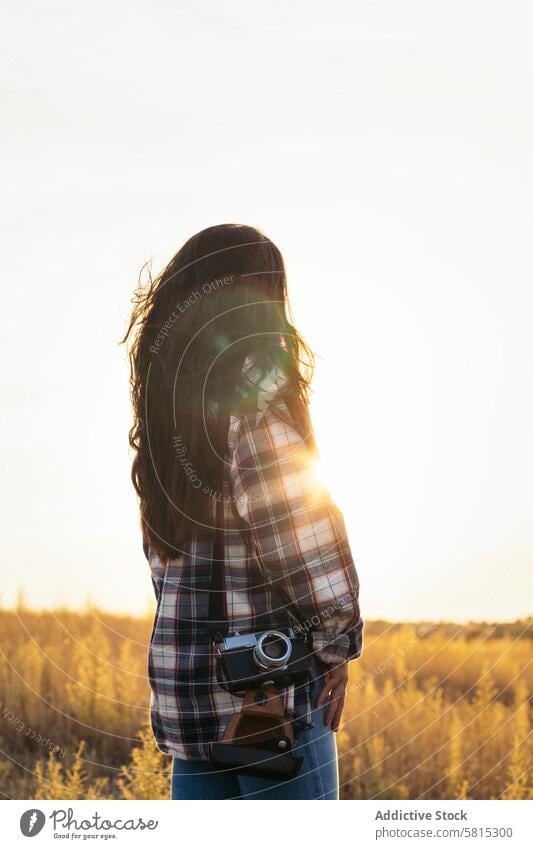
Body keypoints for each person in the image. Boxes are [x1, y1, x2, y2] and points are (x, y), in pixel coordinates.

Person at [122, 223, 364, 799]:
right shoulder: (255, 411)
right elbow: (307, 548)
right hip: (269, 709)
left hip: (194, 716)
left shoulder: (165, 432)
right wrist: (338, 647)